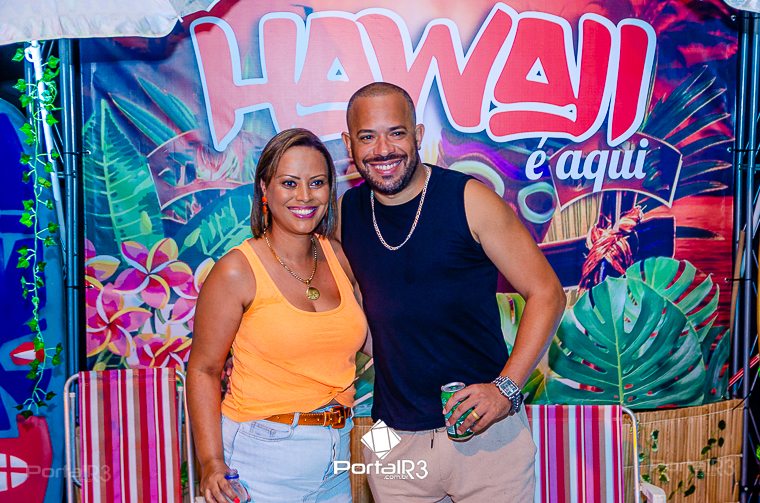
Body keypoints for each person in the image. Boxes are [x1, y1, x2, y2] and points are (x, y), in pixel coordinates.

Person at [339, 82, 566, 502]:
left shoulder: (469, 199)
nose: (383, 149)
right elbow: (345, 301)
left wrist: (506, 389)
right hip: (391, 437)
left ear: (418, 135)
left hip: (486, 434)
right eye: (367, 137)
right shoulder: (346, 212)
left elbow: (548, 292)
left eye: (396, 133)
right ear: (348, 143)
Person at [187, 128, 368, 503]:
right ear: (265, 190)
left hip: (337, 452)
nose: (305, 196)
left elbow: (372, 340)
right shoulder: (237, 271)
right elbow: (203, 369)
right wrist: (210, 461)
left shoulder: (338, 256)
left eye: (317, 183)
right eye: (289, 183)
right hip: (261, 457)